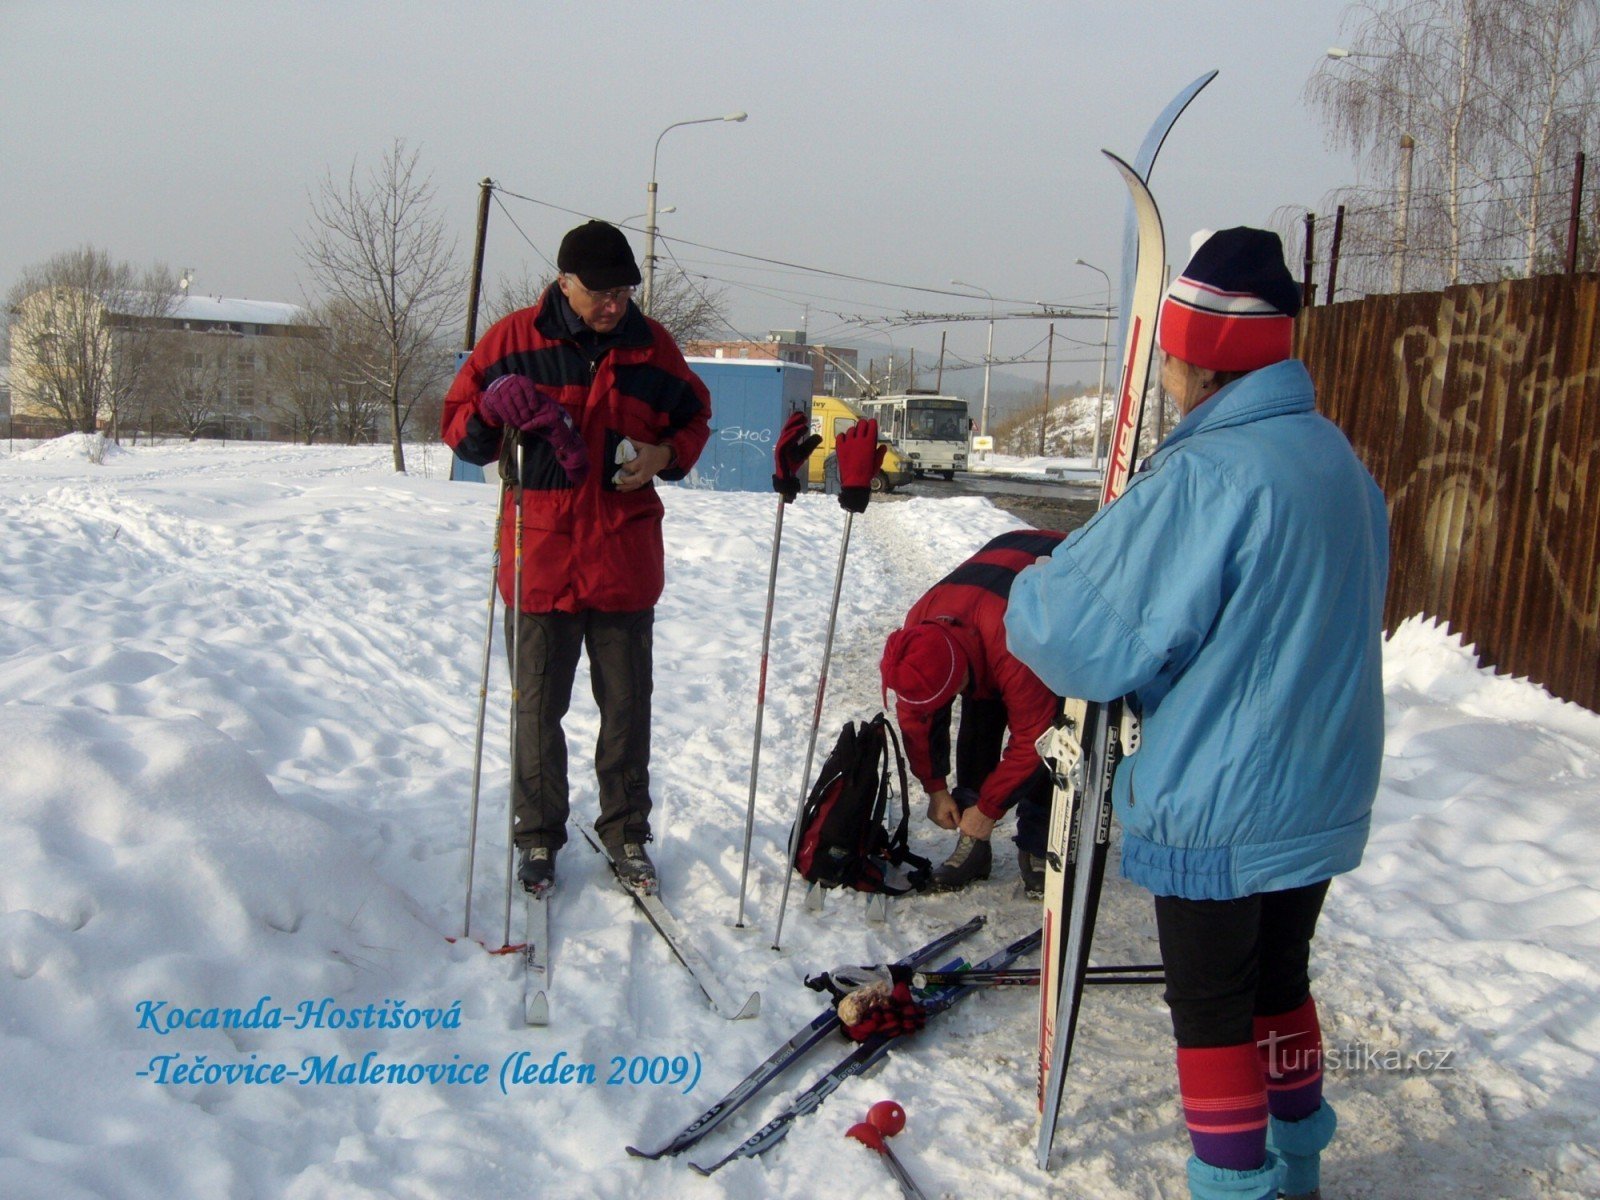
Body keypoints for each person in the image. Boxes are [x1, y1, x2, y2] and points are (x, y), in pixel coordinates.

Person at [1004, 228, 1389, 1200]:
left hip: (1225, 793)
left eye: (1170, 353)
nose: (1165, 371)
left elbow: (1080, 635)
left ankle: (1236, 1187)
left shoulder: (1206, 477)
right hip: (1320, 780)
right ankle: (1298, 1167)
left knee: (1213, 1012)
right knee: (1279, 988)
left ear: (1193, 356)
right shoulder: (1333, 458)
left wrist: (1036, 581)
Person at [441, 220, 711, 897]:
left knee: (626, 710)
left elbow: (694, 418)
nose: (614, 304)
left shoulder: (653, 350)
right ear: (565, 283)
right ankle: (537, 837)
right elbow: (463, 434)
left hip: (622, 559)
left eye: (623, 291)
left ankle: (625, 833)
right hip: (541, 558)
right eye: (601, 292)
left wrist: (663, 456)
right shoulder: (512, 342)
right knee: (536, 708)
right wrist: (487, 419)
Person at [879, 528, 1067, 894]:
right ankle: (974, 841)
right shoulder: (918, 631)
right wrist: (935, 790)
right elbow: (917, 718)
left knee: (1053, 725)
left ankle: (1039, 841)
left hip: (1055, 565)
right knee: (979, 714)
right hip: (992, 586)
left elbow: (1036, 736)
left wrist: (990, 808)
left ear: (959, 668)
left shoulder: (1013, 639)